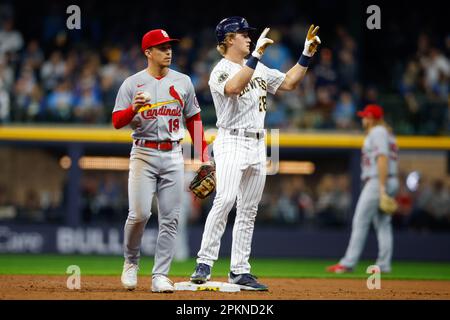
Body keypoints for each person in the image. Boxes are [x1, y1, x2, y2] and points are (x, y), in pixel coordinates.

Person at [190, 17, 321, 291]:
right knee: (224, 200)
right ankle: (204, 263)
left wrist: (307, 53)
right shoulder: (220, 70)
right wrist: (257, 55)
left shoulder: (258, 67)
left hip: (259, 143)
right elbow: (234, 87)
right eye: (243, 34)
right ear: (228, 40)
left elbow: (289, 83)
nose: (249, 38)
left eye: (249, 35)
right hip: (231, 141)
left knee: (248, 210)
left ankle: (239, 270)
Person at [112, 29, 209, 293]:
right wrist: (133, 108)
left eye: (169, 47)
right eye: (162, 47)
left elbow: (194, 120)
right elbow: (117, 122)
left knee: (171, 218)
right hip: (143, 152)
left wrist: (204, 156)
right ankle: (131, 262)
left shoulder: (183, 81)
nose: (168, 51)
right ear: (148, 52)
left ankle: (160, 275)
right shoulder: (132, 83)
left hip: (173, 154)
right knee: (140, 213)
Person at [327, 104, 399, 273]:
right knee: (383, 224)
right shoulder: (388, 134)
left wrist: (381, 187)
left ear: (372, 118)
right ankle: (384, 264)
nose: (363, 119)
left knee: (360, 220)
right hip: (388, 179)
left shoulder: (378, 132)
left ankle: (348, 263)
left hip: (378, 180)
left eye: (365, 116)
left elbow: (382, 159)